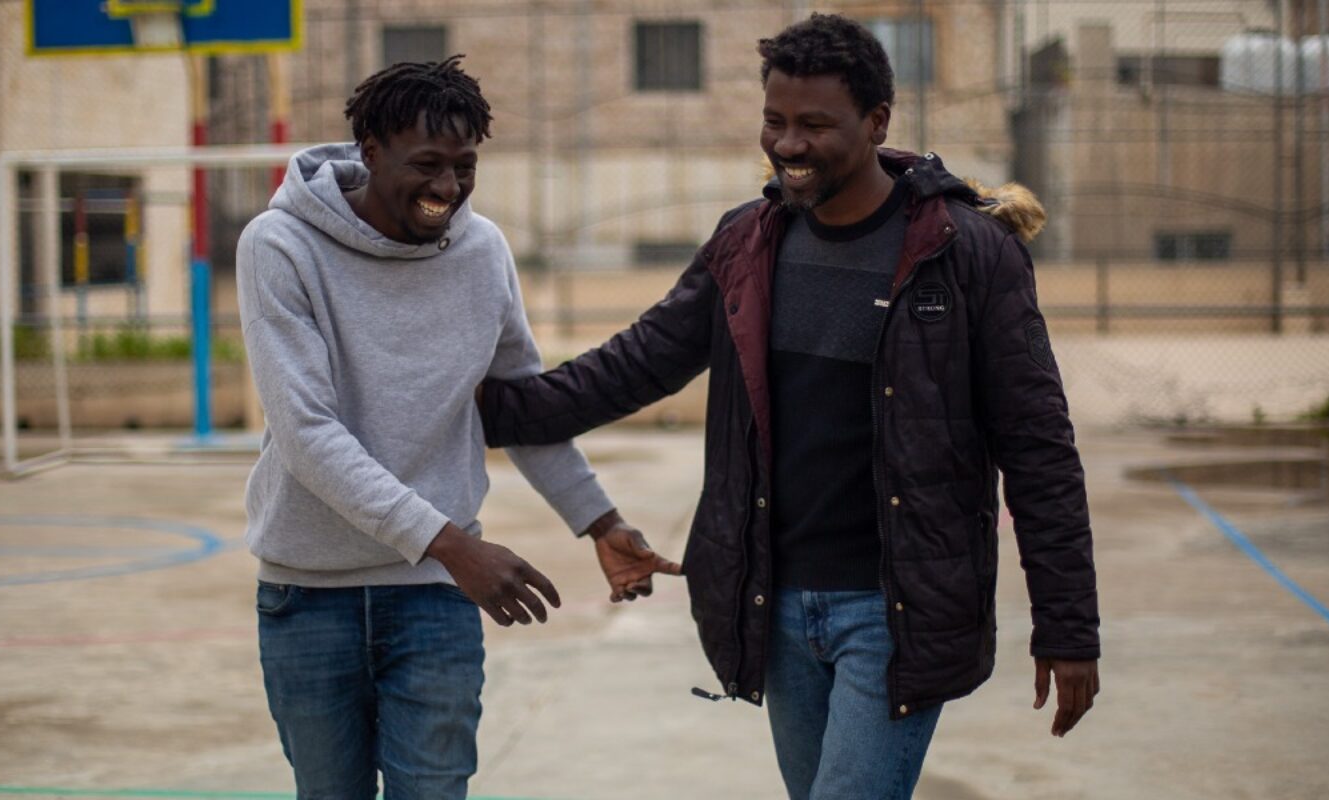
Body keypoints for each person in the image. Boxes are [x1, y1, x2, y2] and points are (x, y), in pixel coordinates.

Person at [477, 15, 1100, 799]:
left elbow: (1039, 447)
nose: (788, 144)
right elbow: (634, 366)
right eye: (775, 121)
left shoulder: (965, 252)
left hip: (896, 610)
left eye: (815, 125)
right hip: (775, 604)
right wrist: (482, 413)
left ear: (877, 123)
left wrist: (1068, 625)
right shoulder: (748, 243)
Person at [235, 55, 678, 799]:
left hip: (434, 598)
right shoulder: (280, 247)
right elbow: (308, 433)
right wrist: (453, 544)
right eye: (427, 165)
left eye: (465, 166)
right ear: (370, 152)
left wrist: (598, 521)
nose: (447, 188)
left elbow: (517, 407)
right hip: (309, 596)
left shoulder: (483, 253)